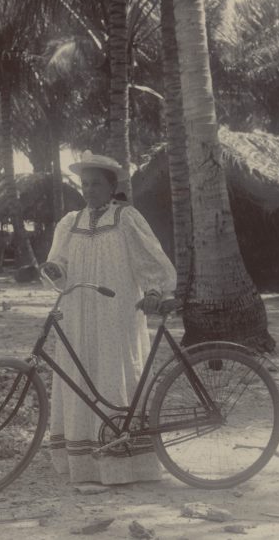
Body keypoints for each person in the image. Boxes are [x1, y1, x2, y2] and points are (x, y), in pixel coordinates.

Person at [41, 150, 176, 485]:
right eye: (84, 184)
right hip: (77, 314)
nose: (89, 189)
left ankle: (124, 463)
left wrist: (156, 291)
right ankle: (85, 462)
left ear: (110, 185)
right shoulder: (69, 223)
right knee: (80, 374)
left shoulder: (126, 218)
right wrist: (54, 269)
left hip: (117, 312)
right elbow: (59, 265)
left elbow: (152, 260)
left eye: (96, 183)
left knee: (115, 373)